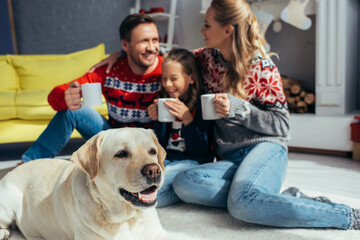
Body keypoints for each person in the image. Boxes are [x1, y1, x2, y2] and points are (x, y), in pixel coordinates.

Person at [89, 0, 360, 230]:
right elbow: (171, 61)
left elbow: (282, 126)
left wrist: (239, 108)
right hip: (228, 158)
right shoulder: (207, 59)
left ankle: (343, 215)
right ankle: (271, 199)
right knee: (181, 184)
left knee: (241, 205)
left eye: (207, 25)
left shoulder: (262, 69)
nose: (202, 30)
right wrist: (122, 54)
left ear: (227, 30)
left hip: (265, 149)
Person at [21, 14, 163, 162]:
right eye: (144, 41)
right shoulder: (109, 70)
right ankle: (28, 165)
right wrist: (66, 96)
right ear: (125, 45)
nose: (152, 48)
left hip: (152, 144)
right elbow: (55, 95)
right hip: (112, 139)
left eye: (155, 40)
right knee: (72, 112)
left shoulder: (168, 70)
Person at [147, 48, 214, 207]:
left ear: (191, 78)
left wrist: (187, 119)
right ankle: (177, 192)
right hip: (168, 159)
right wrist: (158, 120)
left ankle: (175, 191)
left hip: (194, 162)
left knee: (155, 190)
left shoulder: (201, 105)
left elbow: (200, 150)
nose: (168, 84)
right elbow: (161, 146)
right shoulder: (164, 101)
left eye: (173, 78)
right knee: (146, 183)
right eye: (164, 79)